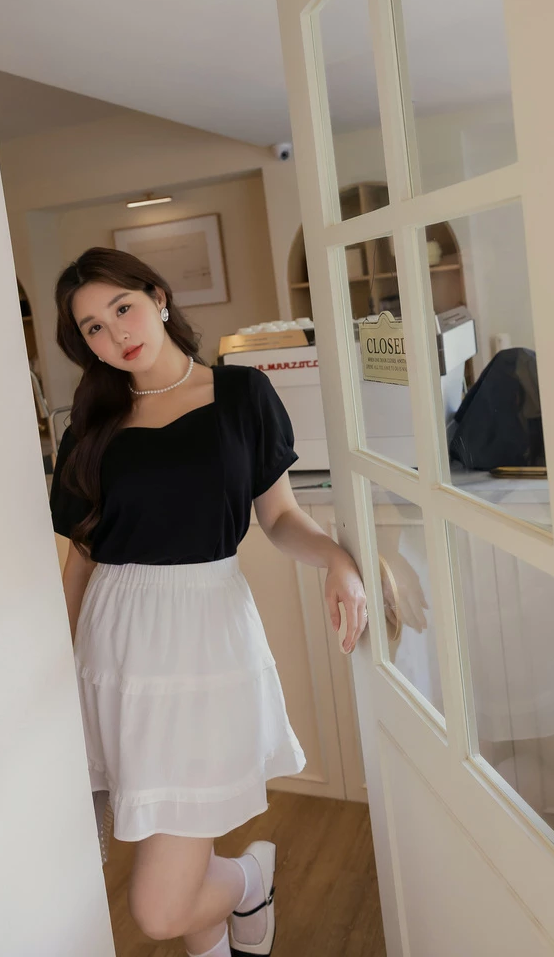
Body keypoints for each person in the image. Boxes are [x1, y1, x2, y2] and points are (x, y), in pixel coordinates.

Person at [50, 247, 368, 957]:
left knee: (159, 907)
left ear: (158, 298)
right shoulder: (92, 424)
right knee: (174, 851)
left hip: (205, 639)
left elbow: (279, 517)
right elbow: (82, 557)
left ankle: (251, 877)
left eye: (123, 308)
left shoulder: (242, 393)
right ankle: (227, 922)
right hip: (115, 646)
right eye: (94, 328)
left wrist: (337, 559)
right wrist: (59, 671)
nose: (116, 333)